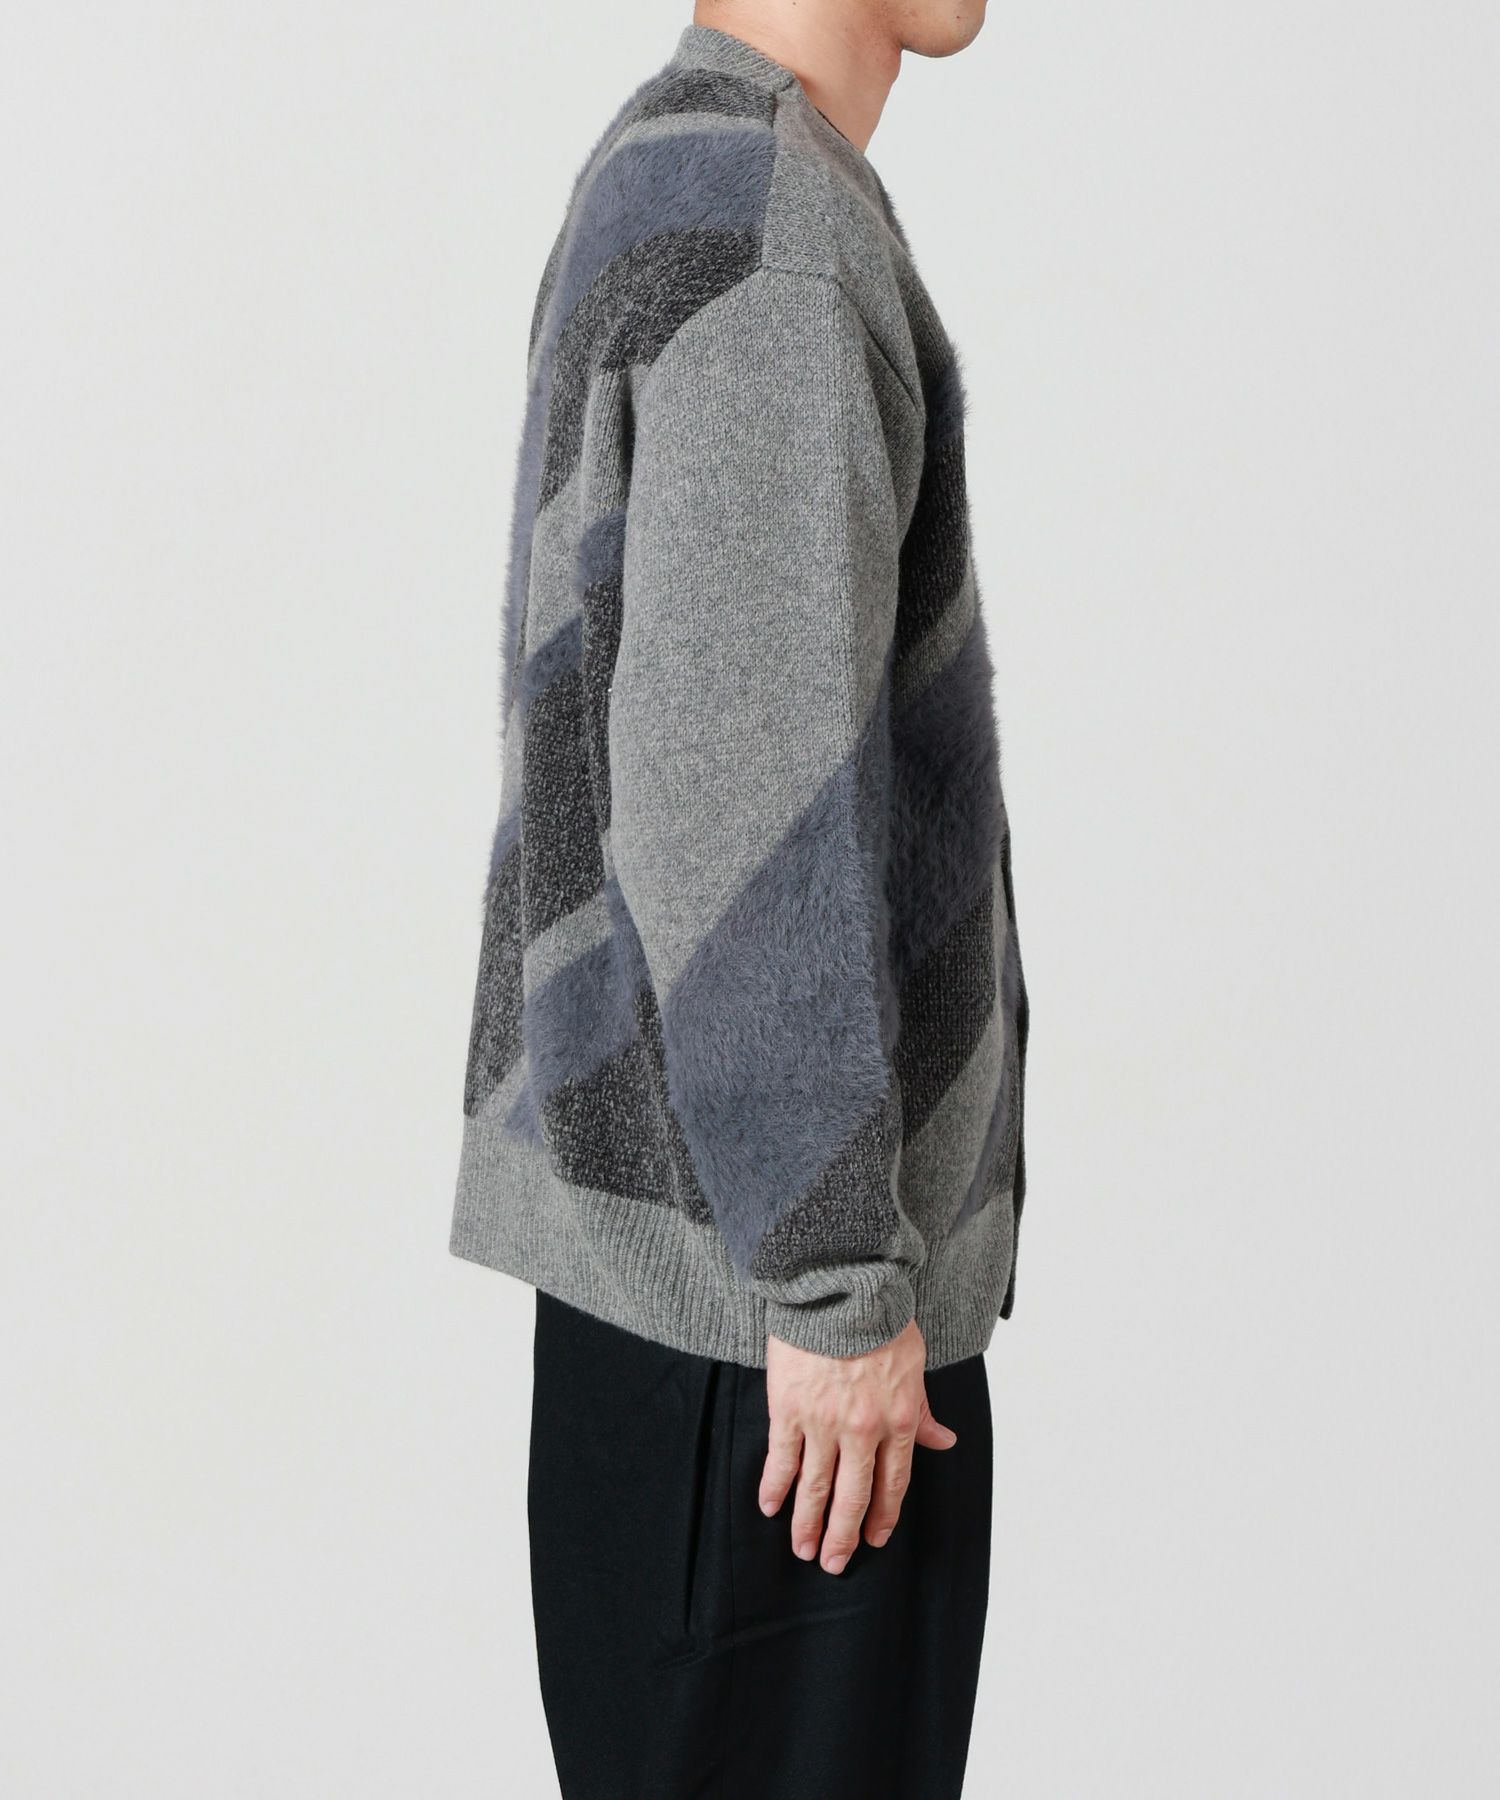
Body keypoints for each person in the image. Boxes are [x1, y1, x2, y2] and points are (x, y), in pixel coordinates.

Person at [451, 4, 1029, 1793]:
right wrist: (838, 1287)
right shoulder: (775, 238)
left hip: (694, 1331)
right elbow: (735, 806)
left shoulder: (671, 162)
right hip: (774, 1353)